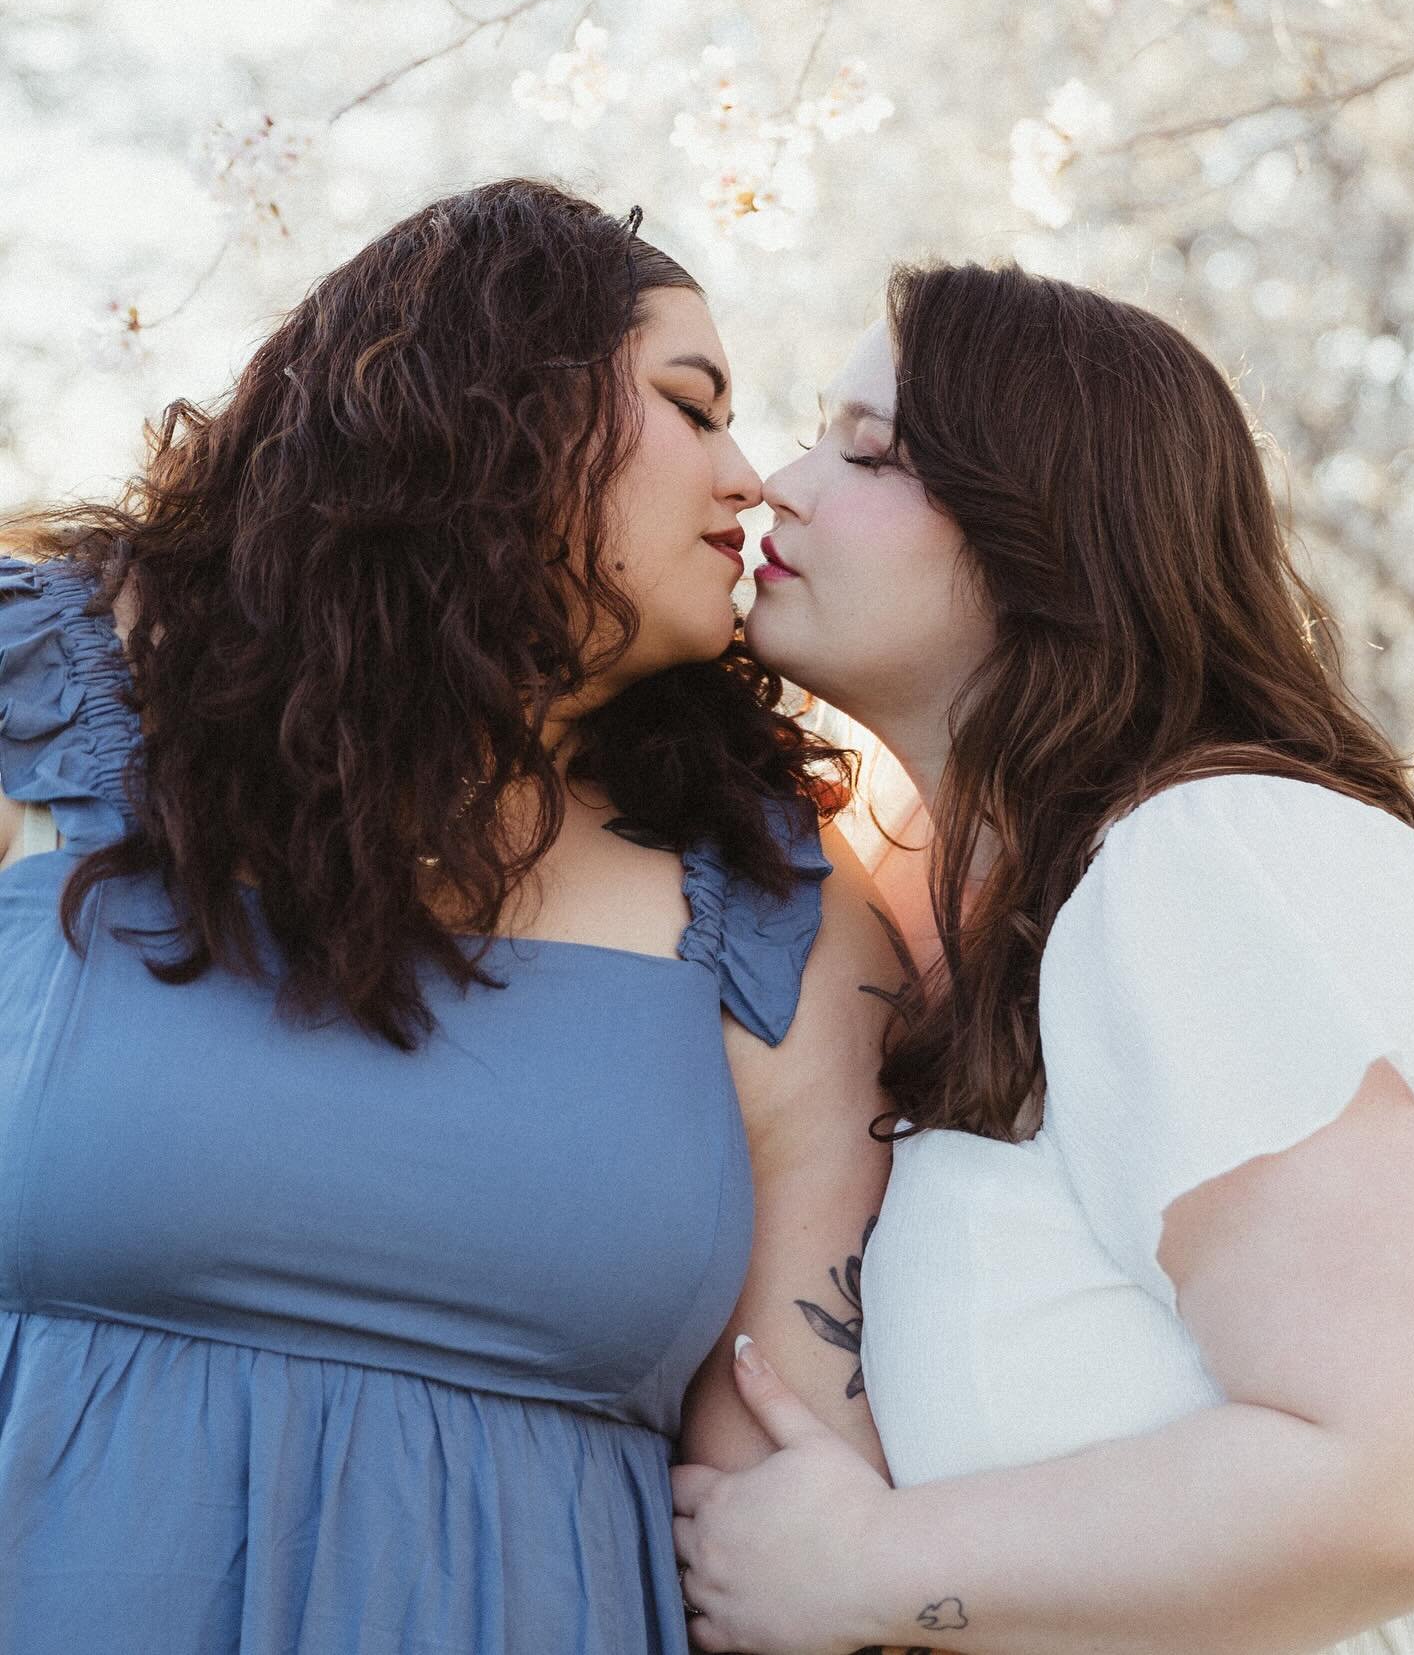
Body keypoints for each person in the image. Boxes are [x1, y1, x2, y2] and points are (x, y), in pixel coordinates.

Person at [0, 178, 899, 1654]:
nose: (752, 480)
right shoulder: (37, 704)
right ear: (491, 404)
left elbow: (788, 1521)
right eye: (695, 406)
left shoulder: (777, 909)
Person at [672, 260, 1414, 1655]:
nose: (778, 483)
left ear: (1054, 534)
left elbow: (1408, 1475)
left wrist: (869, 1567)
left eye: (870, 452)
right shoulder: (989, 938)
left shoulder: (1206, 856)